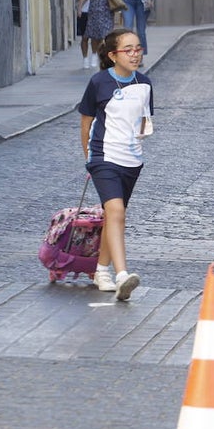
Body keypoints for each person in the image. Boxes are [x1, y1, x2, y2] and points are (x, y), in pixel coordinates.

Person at [78, 28, 153, 301]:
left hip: (133, 160)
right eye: (128, 50)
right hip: (103, 157)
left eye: (138, 48)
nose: (135, 54)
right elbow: (85, 122)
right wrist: (89, 157)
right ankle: (122, 275)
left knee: (113, 216)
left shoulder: (145, 84)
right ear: (113, 55)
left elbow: (144, 118)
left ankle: (101, 271)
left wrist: (145, 129)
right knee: (117, 211)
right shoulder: (99, 83)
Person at [74, 0, 95, 69]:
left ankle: (95, 55)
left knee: (96, 37)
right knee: (85, 37)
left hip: (95, 12)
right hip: (85, 12)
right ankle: (85, 58)